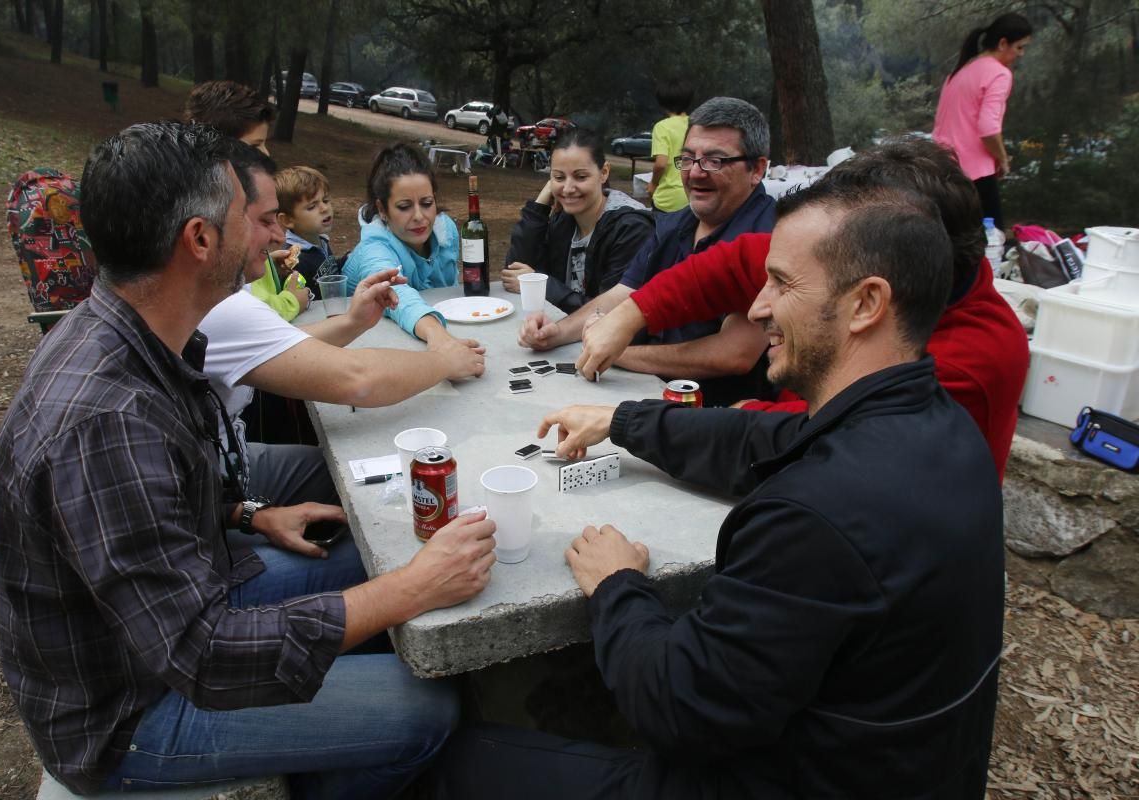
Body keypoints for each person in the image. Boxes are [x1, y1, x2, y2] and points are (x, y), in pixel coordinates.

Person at [434, 180, 1004, 800]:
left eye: (782, 284)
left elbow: (678, 709)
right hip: (900, 764)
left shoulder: (819, 517)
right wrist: (622, 422)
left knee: (455, 759)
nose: (758, 309)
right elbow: (761, 437)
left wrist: (618, 585)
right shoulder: (943, 426)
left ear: (866, 303)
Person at [0, 121, 497, 798]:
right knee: (426, 709)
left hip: (180, 612)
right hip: (130, 712)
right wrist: (412, 591)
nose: (274, 232)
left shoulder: (134, 333)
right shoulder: (106, 417)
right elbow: (204, 656)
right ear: (200, 241)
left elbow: (148, 513)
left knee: (369, 555)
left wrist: (246, 512)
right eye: (249, 218)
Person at [576, 137, 1029, 480]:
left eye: (783, 285)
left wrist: (741, 417)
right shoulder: (847, 255)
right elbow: (732, 264)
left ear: (873, 297)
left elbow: (813, 441)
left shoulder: (973, 360)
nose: (758, 309)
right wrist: (632, 312)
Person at [199, 145, 485, 529]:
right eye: (265, 220)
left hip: (227, 474)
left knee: (357, 479)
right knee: (389, 523)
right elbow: (359, 380)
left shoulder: (219, 293)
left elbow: (285, 342)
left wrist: (353, 322)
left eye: (428, 203)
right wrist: (444, 359)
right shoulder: (223, 307)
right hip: (215, 503)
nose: (280, 234)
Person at [518, 97, 777, 406]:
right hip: (644, 394)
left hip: (718, 418)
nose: (695, 172)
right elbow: (624, 293)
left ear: (757, 169)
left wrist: (619, 351)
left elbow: (733, 355)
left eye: (715, 160)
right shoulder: (676, 223)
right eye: (688, 158)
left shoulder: (773, 238)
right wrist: (556, 334)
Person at [186, 79, 310, 319]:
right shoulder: (219, 222)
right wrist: (291, 301)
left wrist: (265, 265)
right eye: (255, 145)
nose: (265, 154)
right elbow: (245, 314)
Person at [501, 128, 655, 313]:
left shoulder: (631, 229)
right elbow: (515, 270)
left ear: (604, 172)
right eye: (559, 177)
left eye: (580, 177)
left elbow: (610, 312)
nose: (567, 188)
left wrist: (541, 286)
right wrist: (540, 205)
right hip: (559, 329)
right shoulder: (565, 219)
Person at [343, 143, 470, 344]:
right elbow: (397, 295)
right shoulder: (374, 248)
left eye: (427, 203)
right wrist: (439, 338)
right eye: (404, 207)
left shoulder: (447, 231)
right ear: (382, 209)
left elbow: (448, 295)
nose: (420, 216)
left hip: (422, 331)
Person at [932, 12, 1033, 230]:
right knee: (991, 241)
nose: (1021, 54)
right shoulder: (999, 74)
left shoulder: (960, 71)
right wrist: (1003, 159)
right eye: (1019, 47)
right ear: (1003, 43)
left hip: (942, 169)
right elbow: (988, 129)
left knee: (953, 240)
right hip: (975, 174)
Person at [276, 165, 340, 295]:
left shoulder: (320, 240)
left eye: (326, 200)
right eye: (312, 207)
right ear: (288, 220)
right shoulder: (294, 260)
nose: (324, 208)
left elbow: (328, 269)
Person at [646, 78, 693, 214]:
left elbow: (661, 163)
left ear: (662, 102)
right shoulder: (696, 124)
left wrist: (653, 184)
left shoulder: (662, 127)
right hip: (692, 195)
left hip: (668, 200)